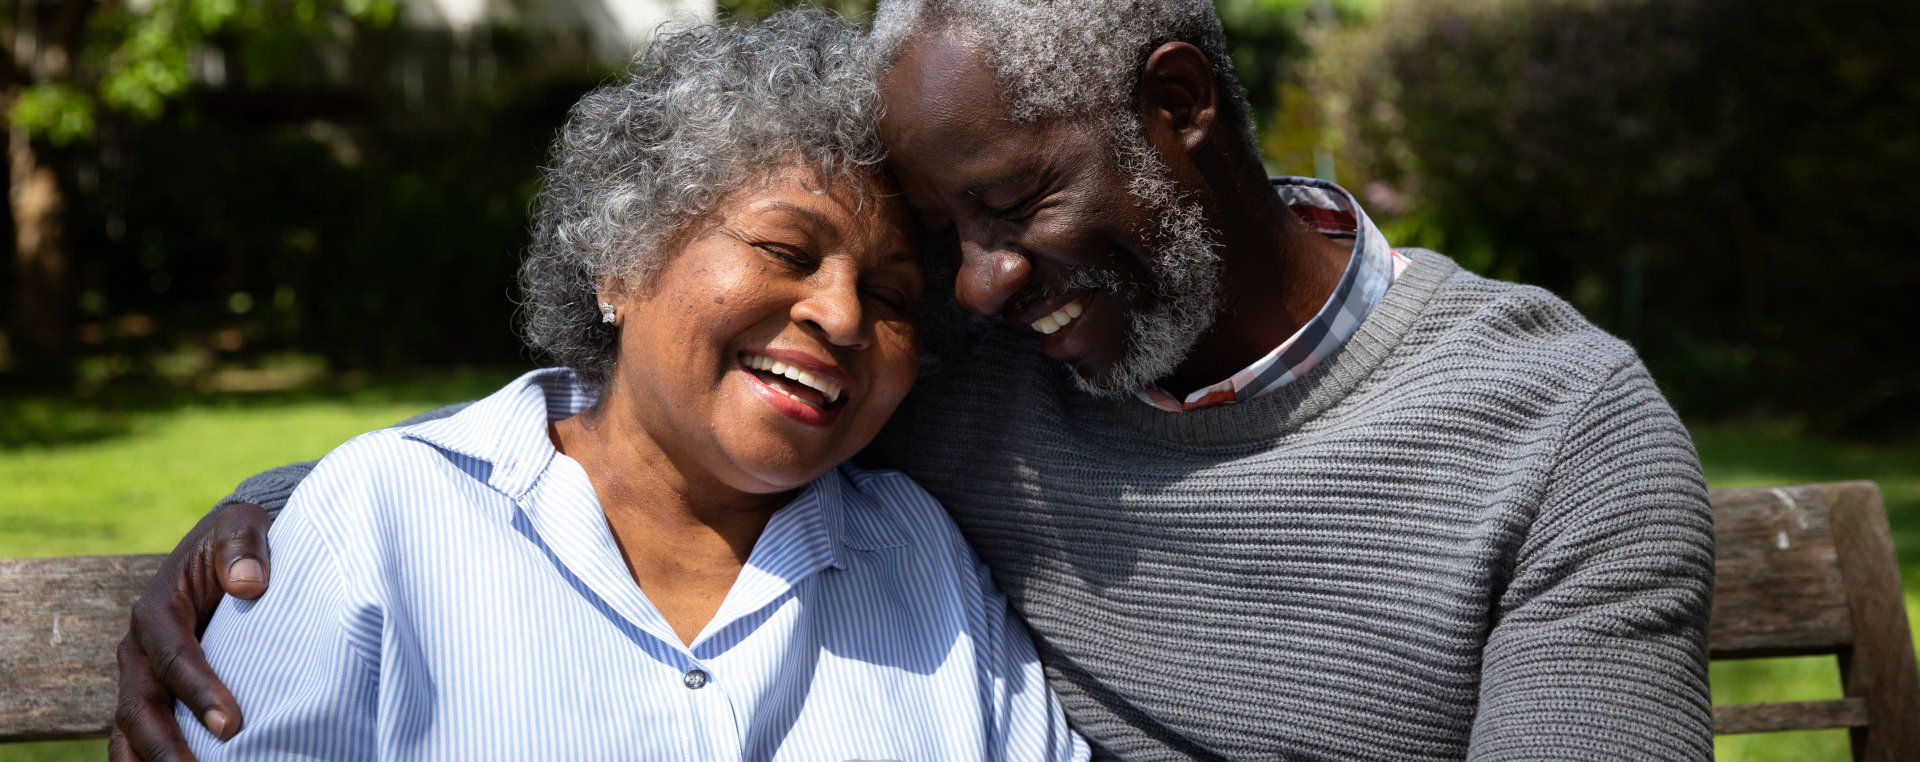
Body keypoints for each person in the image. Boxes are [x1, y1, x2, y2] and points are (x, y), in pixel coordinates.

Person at [115, 1, 1717, 760]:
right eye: (945, 239)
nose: (973, 290)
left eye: (1011, 206)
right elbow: (643, 399)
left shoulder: (1557, 431)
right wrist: (283, 529)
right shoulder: (971, 365)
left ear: (1179, 110)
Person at [139, 11, 1088, 761]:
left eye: (891, 297)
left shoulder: (920, 556)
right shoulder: (384, 520)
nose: (842, 316)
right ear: (621, 263)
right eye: (784, 249)